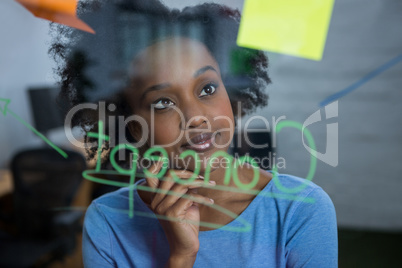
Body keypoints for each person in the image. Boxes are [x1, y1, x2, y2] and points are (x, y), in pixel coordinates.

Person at [50, 0, 337, 267]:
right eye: (163, 102)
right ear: (132, 124)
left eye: (208, 89)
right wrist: (182, 256)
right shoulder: (107, 221)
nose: (195, 117)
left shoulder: (300, 209)